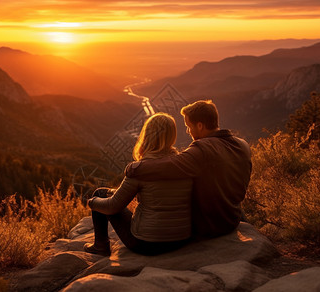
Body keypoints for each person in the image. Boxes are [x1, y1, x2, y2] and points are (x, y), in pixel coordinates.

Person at [126, 100, 252, 238]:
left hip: (207, 227)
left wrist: (134, 168)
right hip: (232, 220)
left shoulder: (202, 149)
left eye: (188, 126)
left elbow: (167, 166)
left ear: (200, 126)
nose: (188, 131)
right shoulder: (243, 145)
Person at [84, 113, 192, 256]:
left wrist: (91, 202)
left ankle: (100, 246)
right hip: (181, 239)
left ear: (147, 135)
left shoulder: (140, 169)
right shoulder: (185, 164)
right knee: (107, 193)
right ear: (172, 135)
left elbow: (112, 207)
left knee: (100, 194)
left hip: (146, 244)